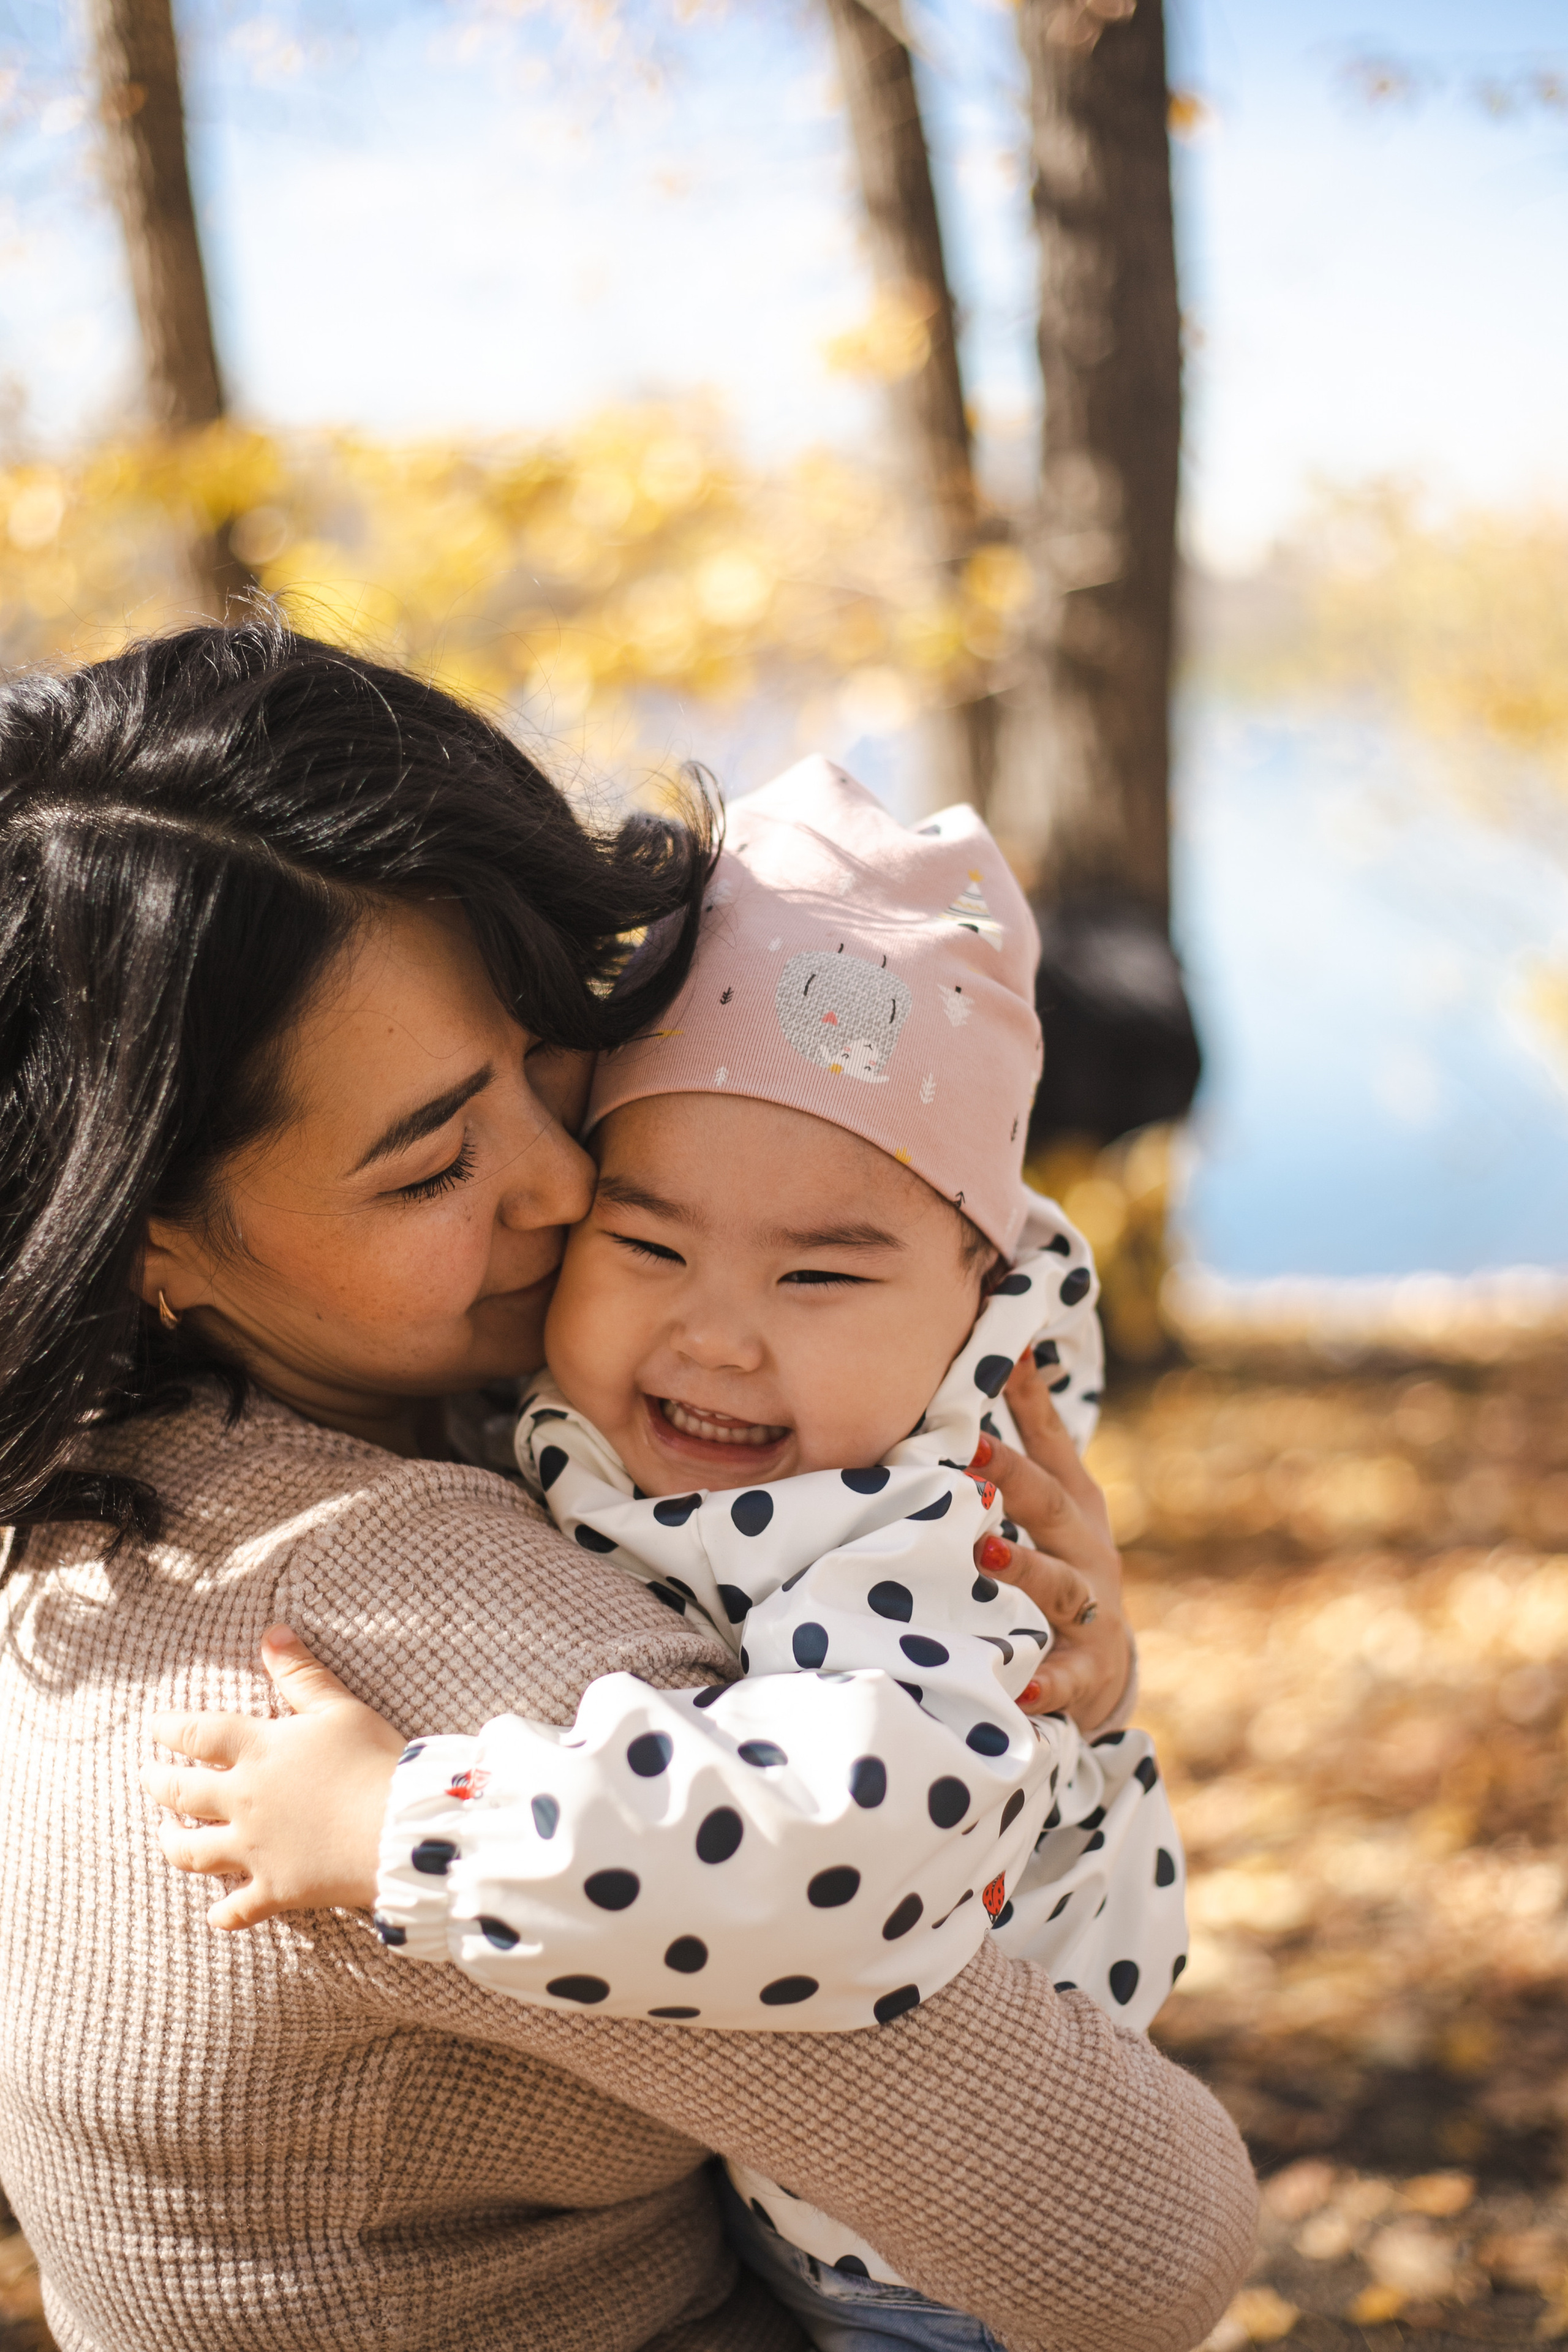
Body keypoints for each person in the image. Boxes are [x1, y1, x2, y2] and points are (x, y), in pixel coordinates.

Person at [0, 619, 1256, 2352]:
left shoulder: (87, 1501)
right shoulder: (425, 1652)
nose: (565, 1181)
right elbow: (1143, 2240)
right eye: (436, 1157)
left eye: (549, 1054)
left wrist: (1061, 1700)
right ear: (147, 1226)